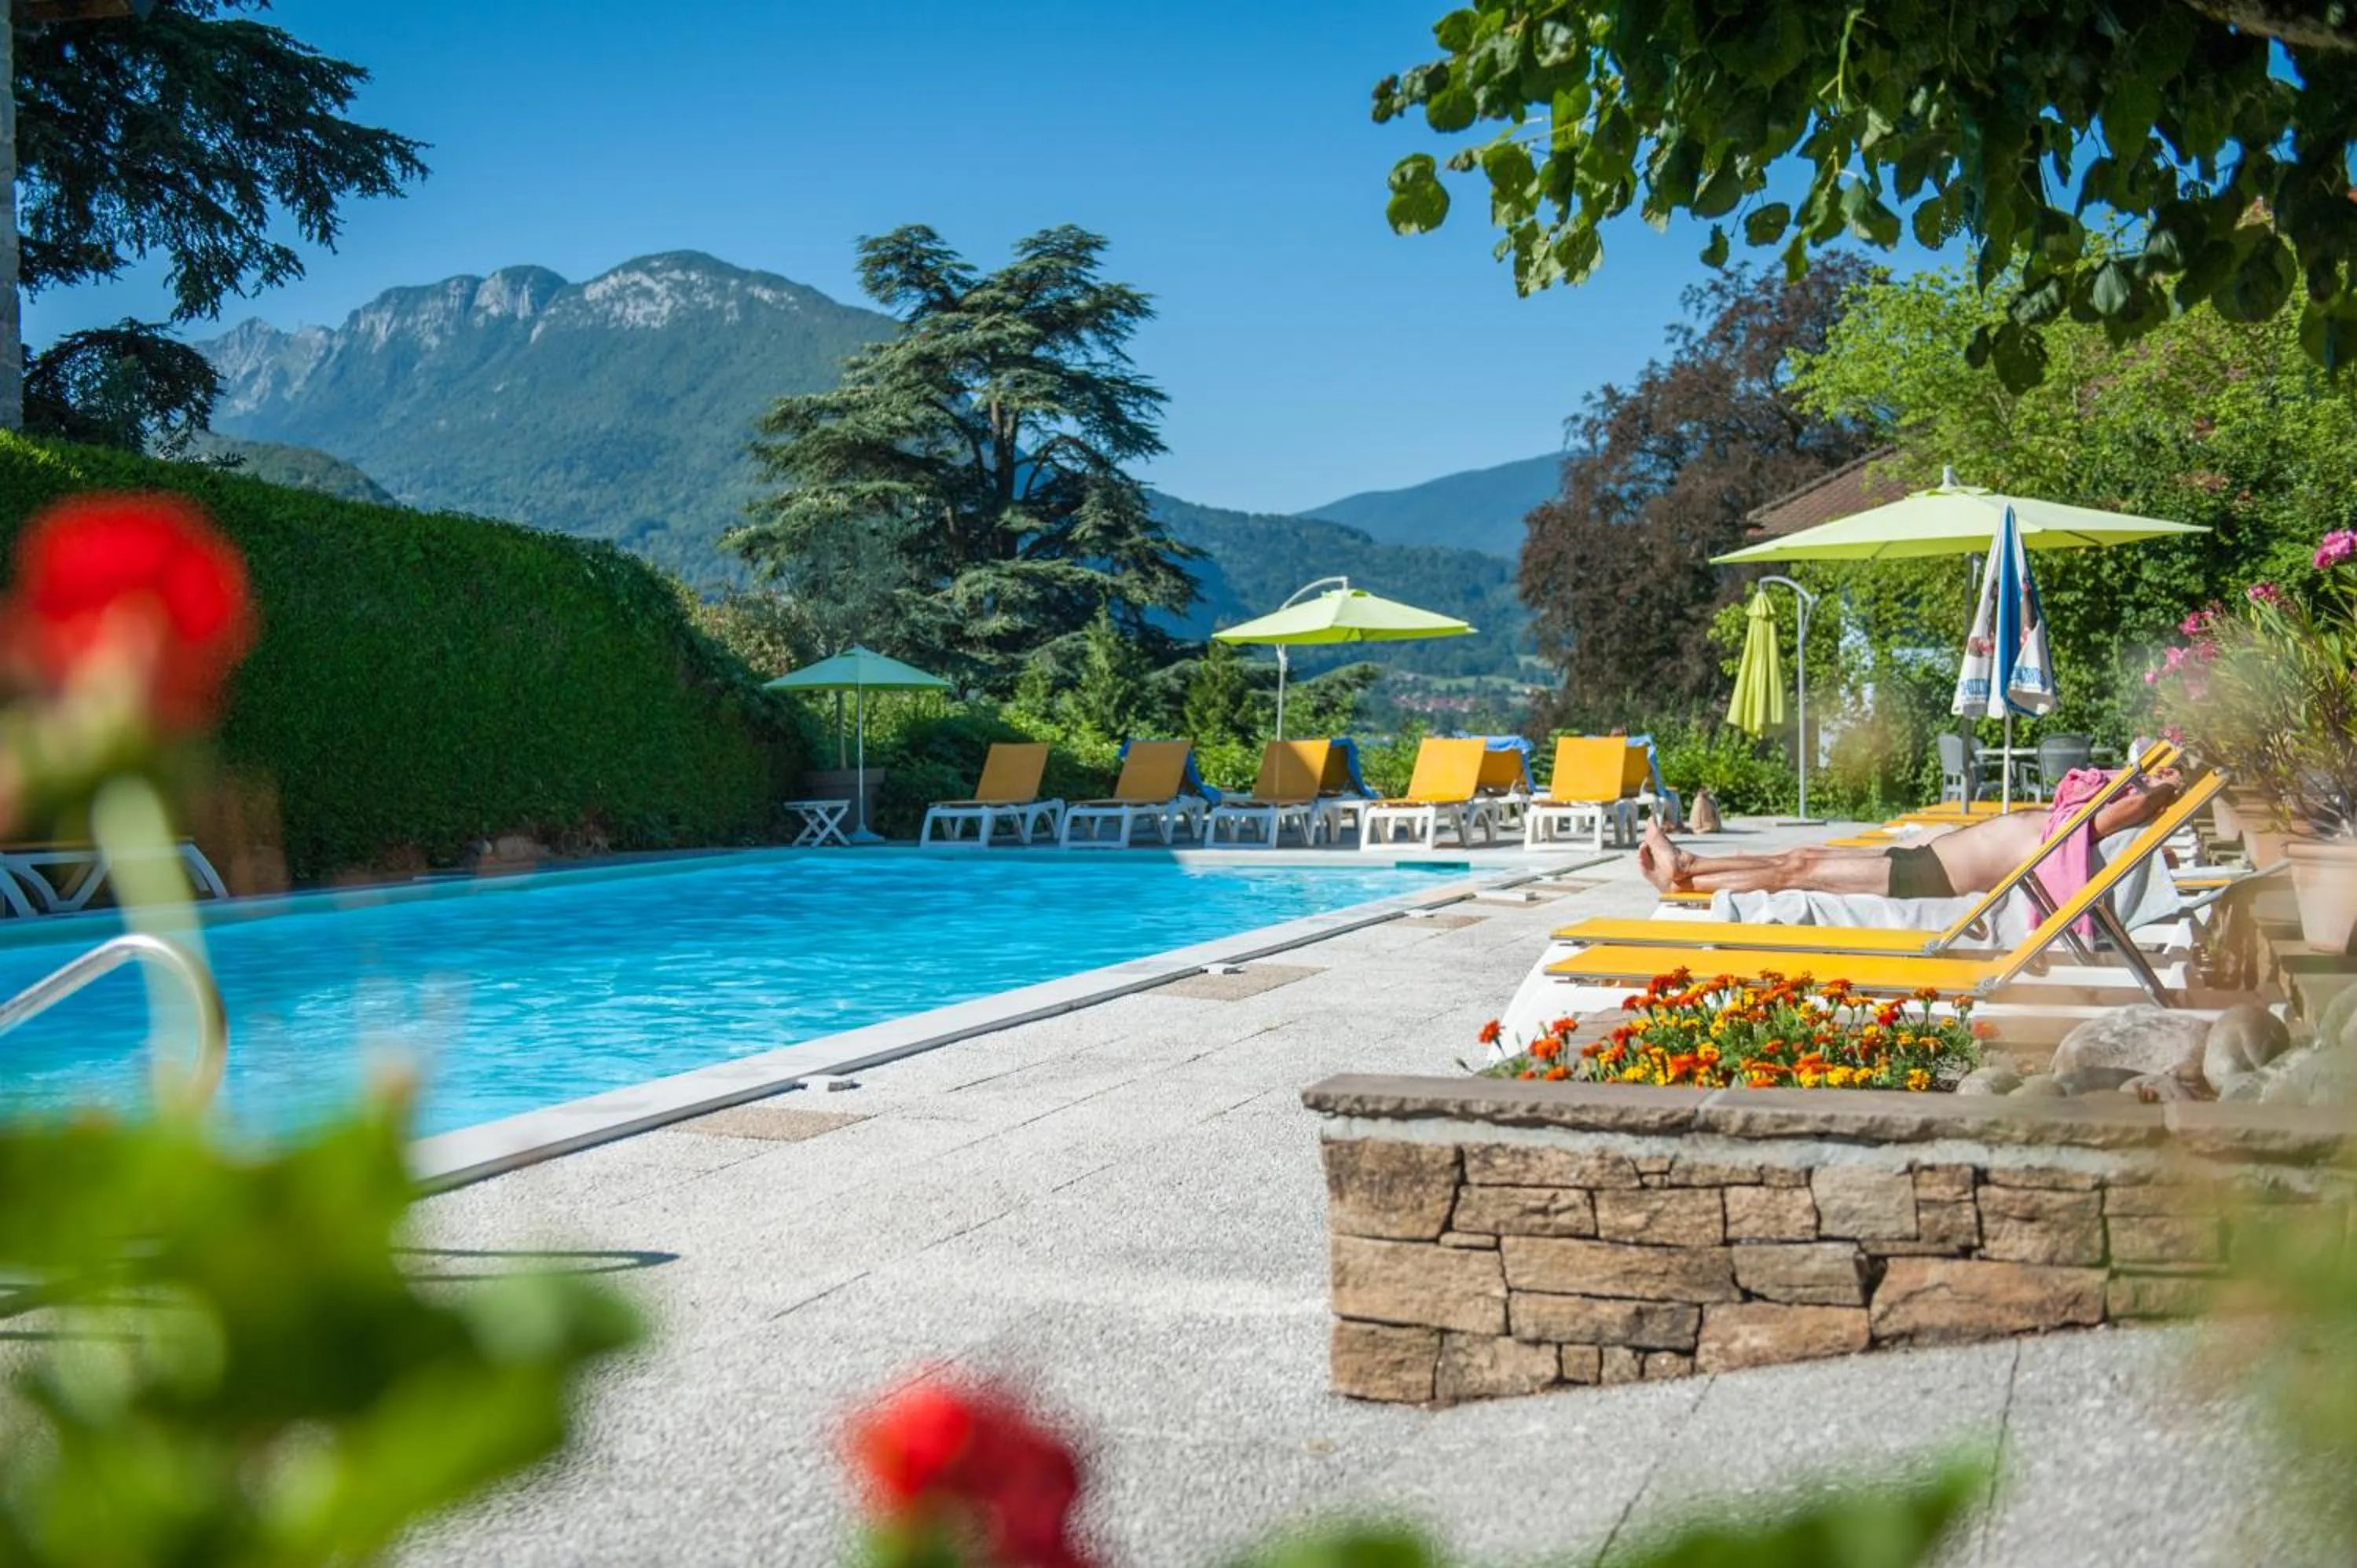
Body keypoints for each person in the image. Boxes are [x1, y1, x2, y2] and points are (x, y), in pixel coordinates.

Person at [1635, 769, 2184, 899]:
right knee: (1799, 854)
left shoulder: (2085, 830)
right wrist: (2147, 780)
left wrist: (2164, 790)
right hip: (1924, 859)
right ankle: (1688, 869)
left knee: (1797, 872)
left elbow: (2134, 806)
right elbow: (2126, 792)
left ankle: (1687, 870)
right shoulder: (2076, 818)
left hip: (1928, 879)